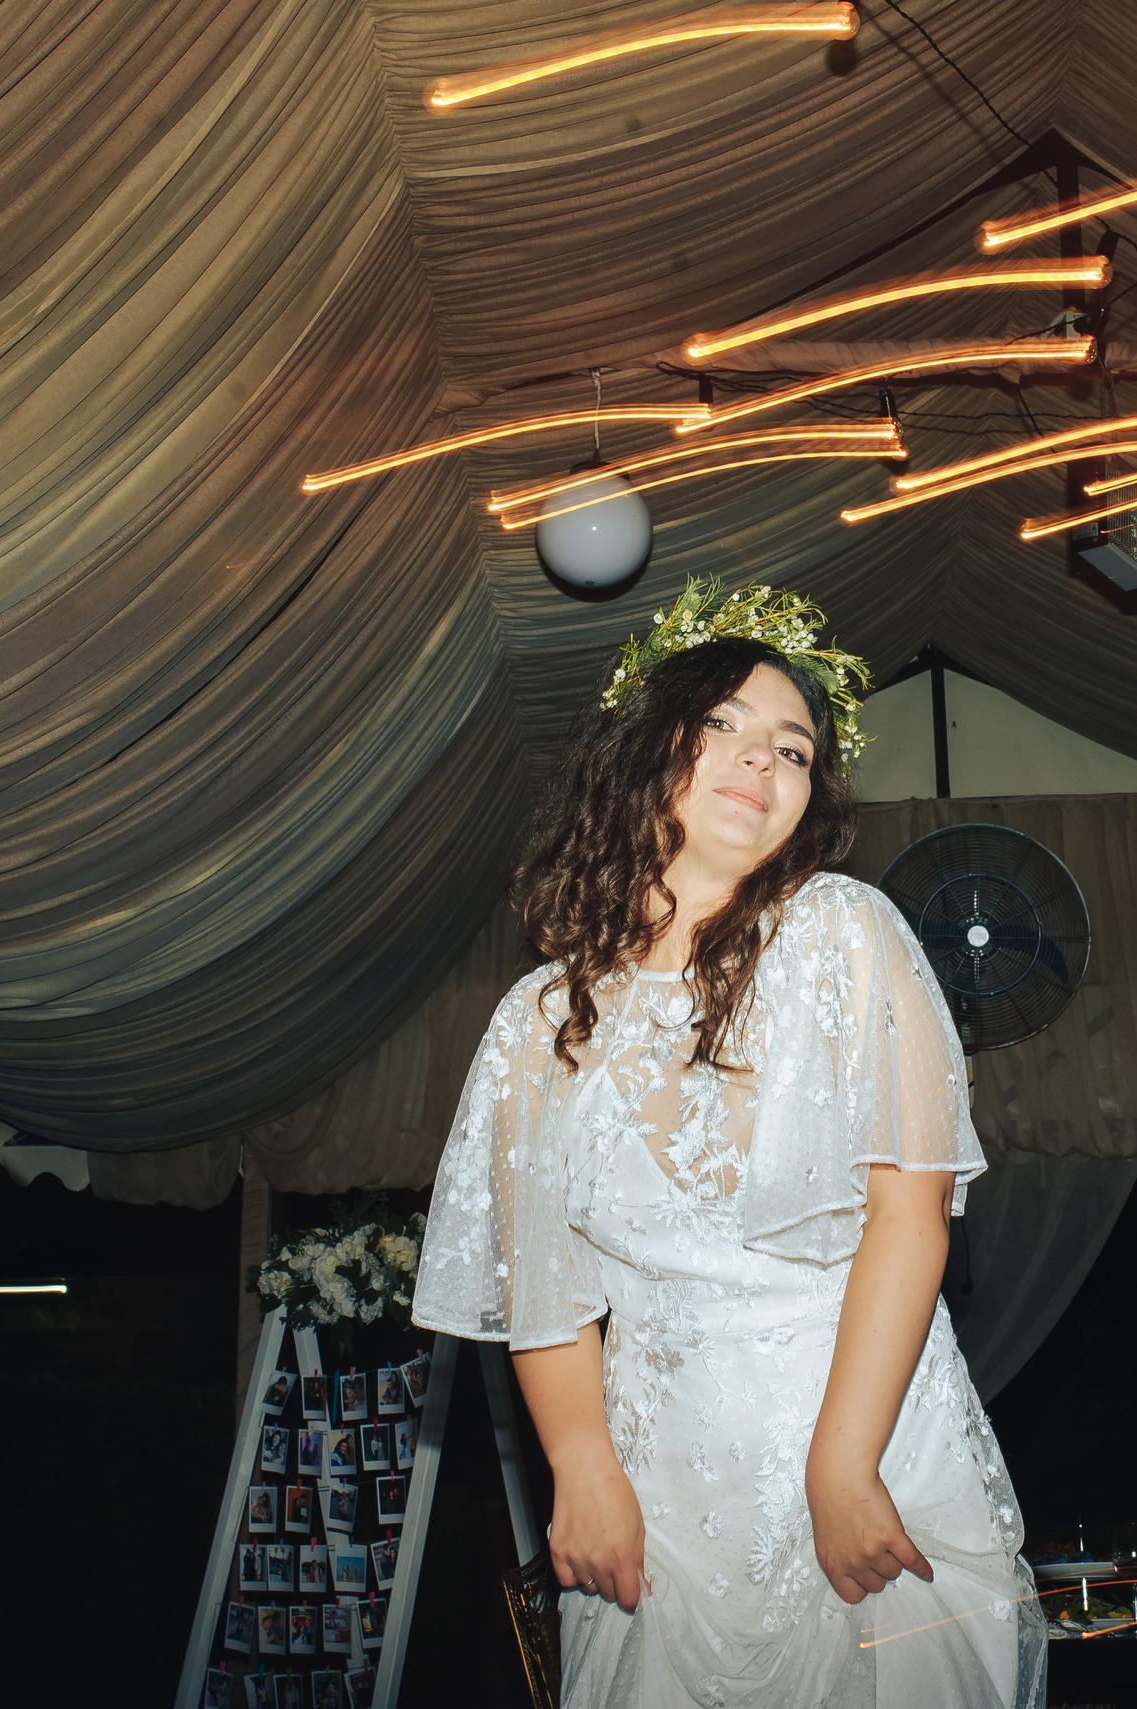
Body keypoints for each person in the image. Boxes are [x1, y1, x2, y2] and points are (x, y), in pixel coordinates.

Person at [413, 580, 1042, 1707]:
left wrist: (842, 1466)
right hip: (658, 1487)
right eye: (723, 730)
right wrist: (581, 1469)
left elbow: (908, 1217)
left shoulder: (845, 935)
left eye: (792, 749)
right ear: (641, 748)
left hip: (864, 1432)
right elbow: (546, 1295)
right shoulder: (534, 1021)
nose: (761, 763)